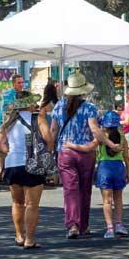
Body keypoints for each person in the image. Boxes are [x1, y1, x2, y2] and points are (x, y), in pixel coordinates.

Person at [0, 87, 54, 249]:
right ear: (29, 104)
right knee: (32, 204)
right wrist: (46, 153)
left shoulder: (9, 121)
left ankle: (19, 235)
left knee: (17, 202)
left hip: (12, 164)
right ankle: (29, 239)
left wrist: (9, 151)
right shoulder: (37, 119)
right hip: (32, 163)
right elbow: (48, 138)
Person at [52, 72, 103, 238]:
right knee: (84, 189)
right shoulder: (89, 107)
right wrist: (104, 142)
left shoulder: (58, 106)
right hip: (85, 152)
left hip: (65, 151)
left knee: (70, 189)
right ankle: (83, 225)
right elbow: (95, 129)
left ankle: (72, 224)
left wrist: (52, 147)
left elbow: (53, 130)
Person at [94, 110, 127, 237]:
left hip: (104, 167)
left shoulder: (101, 137)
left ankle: (109, 228)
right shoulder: (122, 136)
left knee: (106, 201)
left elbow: (93, 148)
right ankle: (119, 224)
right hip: (119, 167)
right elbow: (127, 157)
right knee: (118, 199)